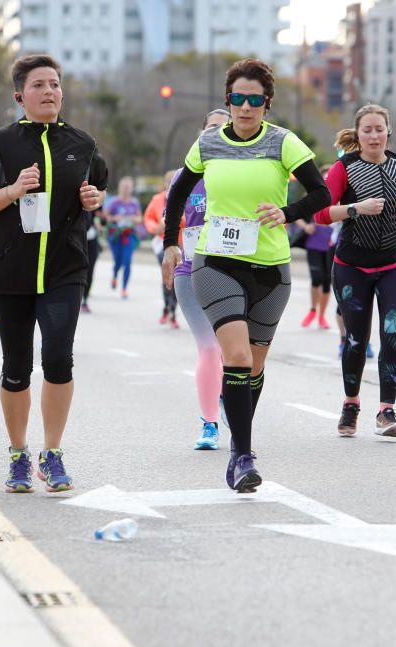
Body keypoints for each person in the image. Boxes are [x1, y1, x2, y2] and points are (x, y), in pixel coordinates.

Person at [162, 58, 330, 492]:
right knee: (234, 357)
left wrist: (287, 212)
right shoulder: (208, 144)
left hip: (271, 269)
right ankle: (242, 455)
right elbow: (178, 192)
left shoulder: (284, 143)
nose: (246, 106)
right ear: (228, 100)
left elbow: (323, 192)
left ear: (267, 104)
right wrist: (169, 242)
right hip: (216, 262)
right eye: (238, 98)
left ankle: (238, 442)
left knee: (253, 368)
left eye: (255, 100)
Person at [0, 54, 108, 493]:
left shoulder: (82, 144)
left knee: (59, 359)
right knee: (16, 368)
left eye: (56, 84)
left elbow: (98, 188)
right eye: (40, 85)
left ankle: (53, 452)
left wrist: (93, 199)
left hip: (66, 268)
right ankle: (17, 454)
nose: (49, 91)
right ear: (19, 95)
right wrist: (11, 190)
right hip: (12, 272)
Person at [313, 104, 396, 438]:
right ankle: (351, 404)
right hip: (352, 266)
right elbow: (321, 214)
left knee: (392, 332)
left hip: (395, 263)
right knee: (356, 339)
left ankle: (386, 410)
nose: (374, 135)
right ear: (358, 134)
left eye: (380, 129)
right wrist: (354, 209)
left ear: (388, 131)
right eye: (368, 130)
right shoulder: (343, 168)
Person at [169, 108, 231, 450]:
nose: (218, 134)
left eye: (225, 129)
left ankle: (226, 399)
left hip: (233, 272)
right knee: (208, 346)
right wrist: (168, 246)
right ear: (200, 133)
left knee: (233, 351)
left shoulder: (245, 175)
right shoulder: (184, 176)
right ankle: (209, 424)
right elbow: (170, 223)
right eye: (211, 129)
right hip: (190, 271)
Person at [144, 170, 179, 327]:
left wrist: (174, 223)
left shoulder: (186, 198)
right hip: (161, 244)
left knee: (179, 279)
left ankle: (172, 309)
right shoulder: (157, 199)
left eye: (175, 181)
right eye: (169, 182)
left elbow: (190, 218)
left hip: (180, 245)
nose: (172, 184)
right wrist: (155, 228)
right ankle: (167, 307)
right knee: (168, 275)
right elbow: (148, 217)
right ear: (165, 184)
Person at [105, 176, 141, 299]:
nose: (126, 190)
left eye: (128, 187)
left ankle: (124, 288)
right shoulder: (114, 201)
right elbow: (106, 217)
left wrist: (132, 219)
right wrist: (116, 218)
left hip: (128, 235)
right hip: (116, 236)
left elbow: (139, 218)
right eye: (124, 187)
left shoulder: (134, 202)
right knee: (118, 262)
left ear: (131, 189)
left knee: (127, 262)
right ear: (120, 188)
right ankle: (115, 275)